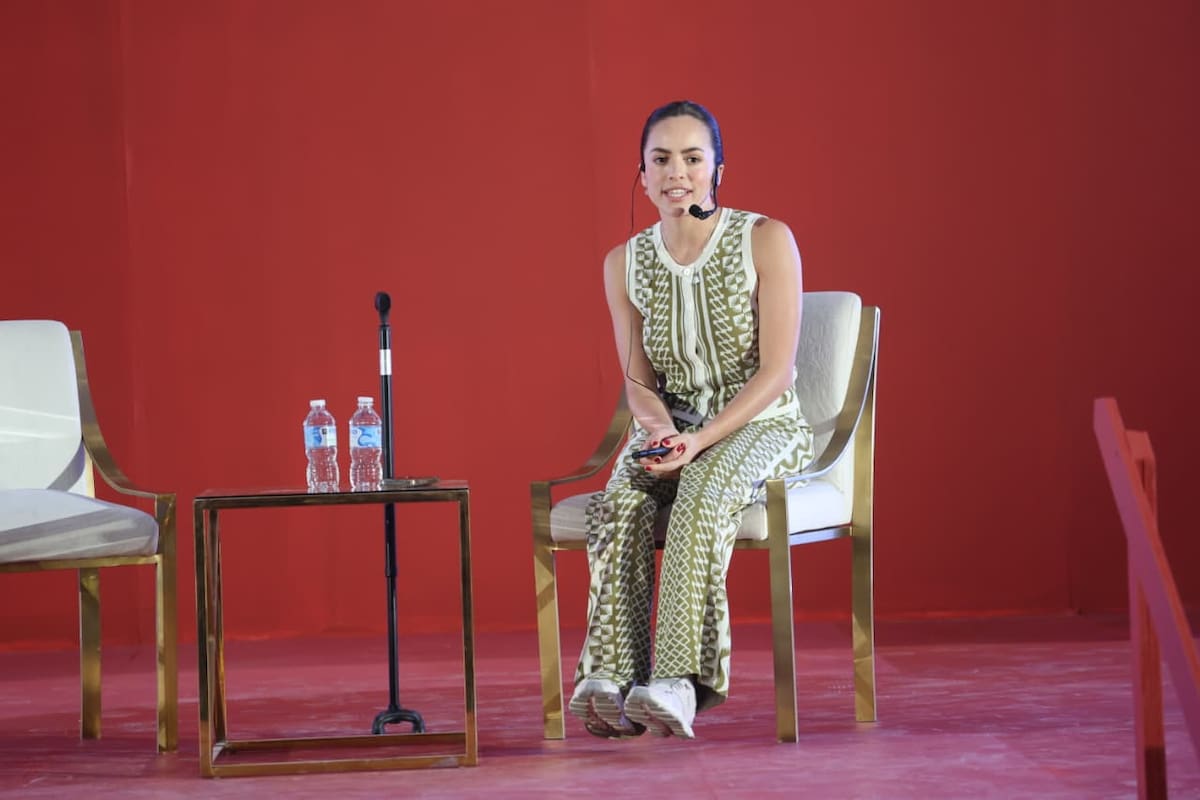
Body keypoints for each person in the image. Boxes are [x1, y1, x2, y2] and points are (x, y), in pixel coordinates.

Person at [568, 100, 815, 739]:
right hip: (674, 423)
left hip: (763, 424)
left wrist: (700, 440)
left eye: (692, 157)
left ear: (717, 169)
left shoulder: (766, 239)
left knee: (702, 489)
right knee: (621, 496)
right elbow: (636, 378)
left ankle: (680, 680)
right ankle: (614, 675)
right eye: (661, 159)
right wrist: (657, 428)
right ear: (642, 174)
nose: (676, 172)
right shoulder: (623, 262)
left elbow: (778, 373)